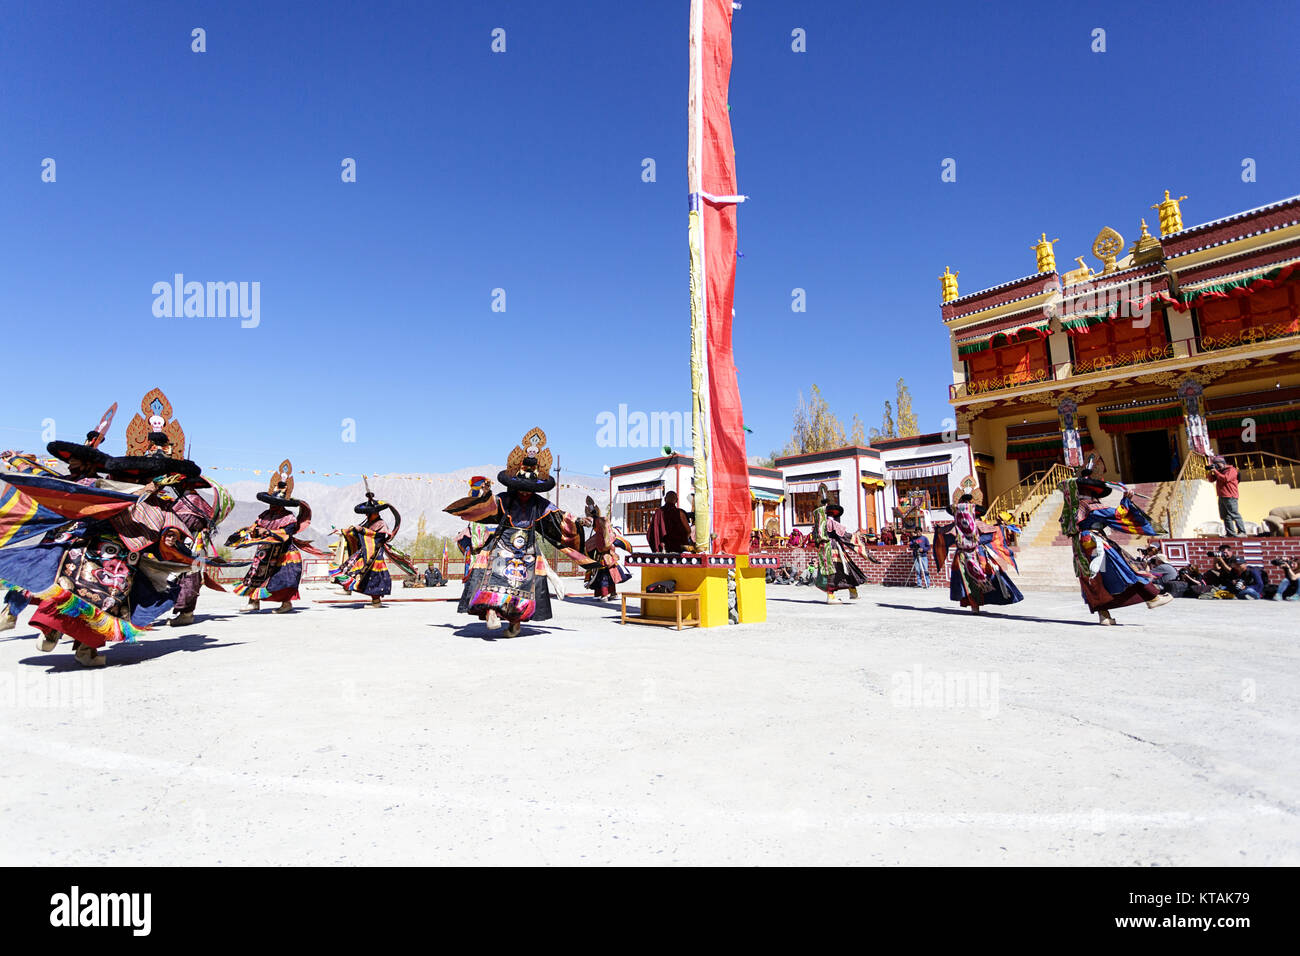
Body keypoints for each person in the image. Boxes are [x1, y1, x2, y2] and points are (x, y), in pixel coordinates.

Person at [444, 429, 591, 637]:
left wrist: (577, 521)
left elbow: (560, 517)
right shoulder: (504, 499)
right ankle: (492, 612)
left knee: (523, 586)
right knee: (494, 578)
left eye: (529, 488)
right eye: (521, 487)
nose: (524, 491)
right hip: (503, 545)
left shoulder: (540, 504)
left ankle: (515, 622)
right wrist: (474, 503)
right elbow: (487, 507)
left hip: (528, 550)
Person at [1058, 461, 1172, 625]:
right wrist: (1126, 500)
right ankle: (1152, 597)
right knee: (1125, 567)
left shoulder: (1071, 510)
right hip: (1096, 544)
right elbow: (1118, 515)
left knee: (1095, 578)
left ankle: (1104, 615)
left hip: (1081, 549)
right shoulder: (1090, 506)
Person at [225, 460, 325, 614]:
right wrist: (247, 534)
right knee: (256, 574)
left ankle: (286, 603)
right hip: (265, 551)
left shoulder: (288, 517)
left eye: (276, 503)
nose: (272, 505)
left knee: (283, 578)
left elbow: (287, 533)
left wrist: (268, 533)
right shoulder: (264, 515)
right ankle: (253, 601)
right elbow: (255, 526)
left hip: (284, 553)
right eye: (271, 502)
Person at [933, 492, 1023, 614]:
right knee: (978, 579)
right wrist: (978, 540)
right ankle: (976, 604)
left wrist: (940, 531)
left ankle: (974, 606)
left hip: (963, 556)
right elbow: (993, 535)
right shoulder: (976, 525)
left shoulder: (955, 527)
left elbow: (944, 538)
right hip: (978, 555)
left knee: (968, 580)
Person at [330, 490, 414, 607]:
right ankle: (347, 588)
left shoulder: (381, 524)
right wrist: (341, 532)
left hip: (375, 554)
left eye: (368, 513)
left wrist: (362, 530)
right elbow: (356, 532)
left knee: (374, 576)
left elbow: (378, 537)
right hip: (365, 552)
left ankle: (376, 602)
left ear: (374, 513)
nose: (366, 515)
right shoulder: (368, 522)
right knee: (350, 568)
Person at [809, 486, 868, 603]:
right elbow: (845, 535)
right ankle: (831, 596)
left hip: (825, 549)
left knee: (843, 568)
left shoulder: (818, 524)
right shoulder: (830, 522)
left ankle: (853, 591)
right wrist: (856, 537)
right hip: (833, 548)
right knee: (837, 570)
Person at [577, 497, 632, 601]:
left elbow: (591, 526)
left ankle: (605, 594)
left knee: (604, 575)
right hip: (607, 554)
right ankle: (612, 593)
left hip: (603, 555)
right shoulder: (601, 524)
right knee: (610, 574)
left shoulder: (600, 524)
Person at [1204, 454, 1246, 536]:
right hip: (1221, 496)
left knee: (1234, 514)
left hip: (1230, 496)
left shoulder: (1231, 470)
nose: (1217, 466)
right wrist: (1210, 472)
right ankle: (1230, 533)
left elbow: (1225, 479)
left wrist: (1216, 471)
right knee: (1225, 516)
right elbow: (1211, 480)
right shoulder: (1219, 471)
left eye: (1218, 464)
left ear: (1223, 463)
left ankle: (1242, 532)